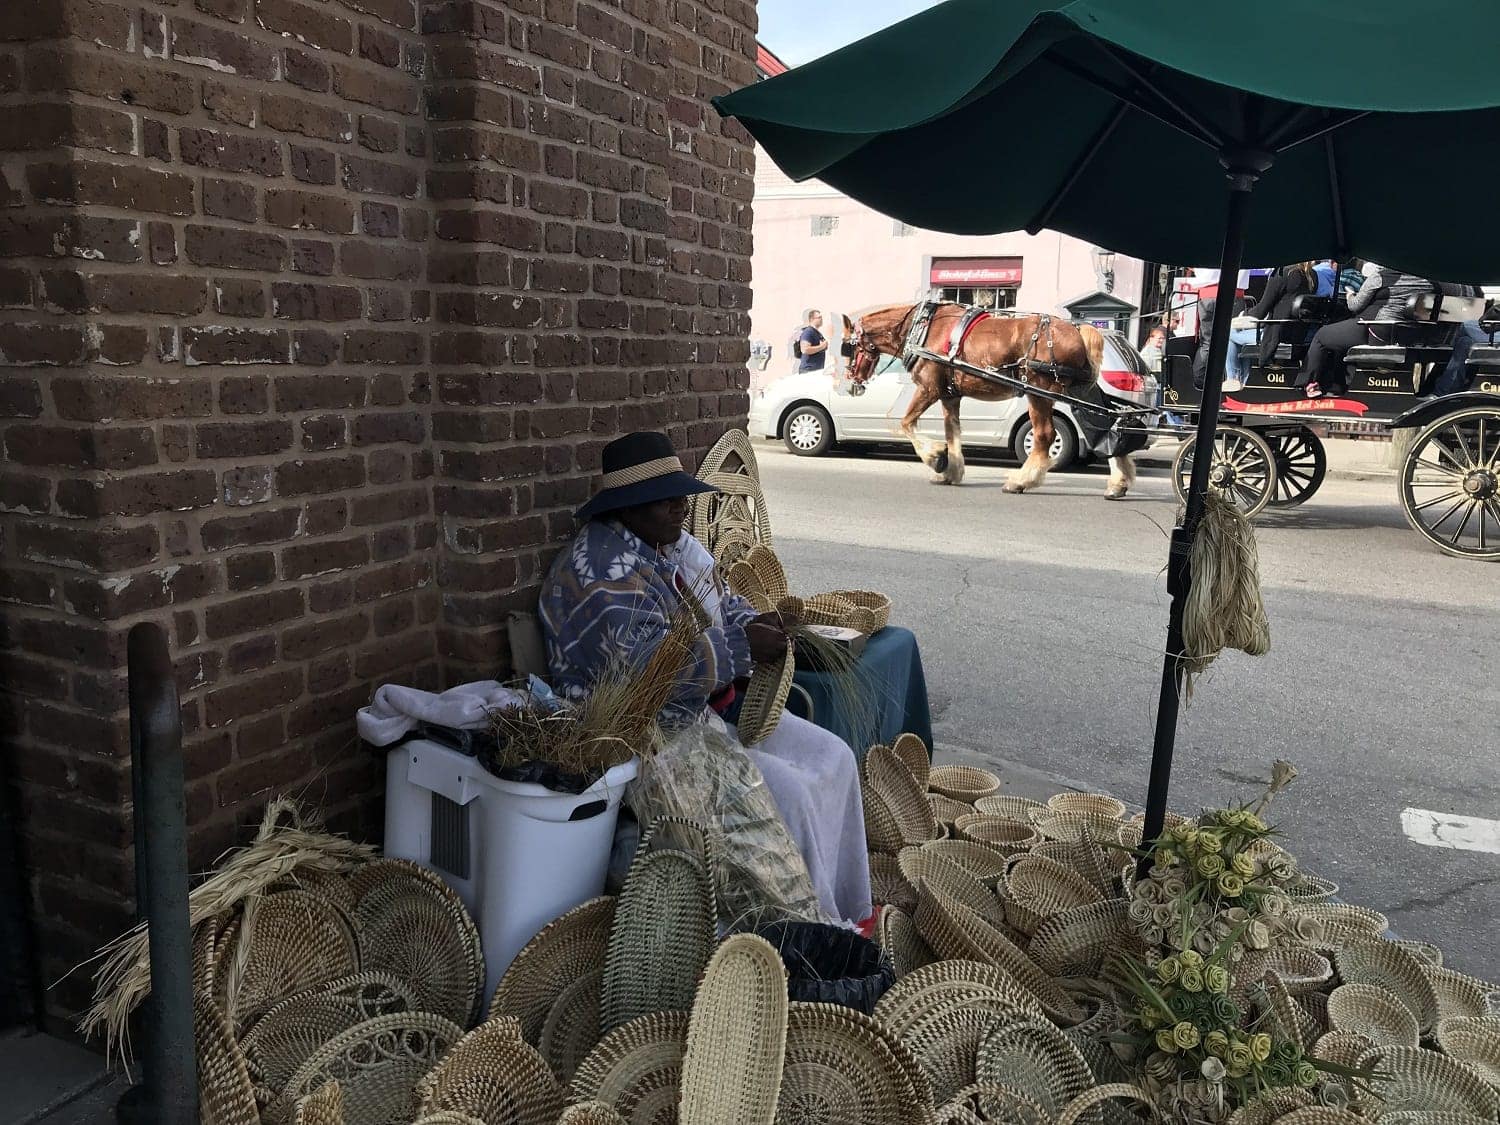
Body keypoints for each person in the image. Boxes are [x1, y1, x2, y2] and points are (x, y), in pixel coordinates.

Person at [539, 431, 873, 926]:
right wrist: (741, 648)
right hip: (649, 737)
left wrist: (756, 624)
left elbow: (724, 602)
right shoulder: (601, 573)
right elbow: (649, 674)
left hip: (709, 710)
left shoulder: (669, 546)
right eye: (665, 499)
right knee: (794, 792)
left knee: (835, 757)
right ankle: (810, 926)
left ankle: (849, 907)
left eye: (680, 494)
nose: (680, 507)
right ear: (628, 505)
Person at [1297, 264, 1437, 398]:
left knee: (1322, 335)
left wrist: (1350, 295)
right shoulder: (1427, 281)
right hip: (1410, 334)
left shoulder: (1381, 276)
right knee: (1341, 335)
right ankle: (1338, 384)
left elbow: (1355, 306)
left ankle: (1310, 384)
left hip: (1376, 329)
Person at [1224, 262, 1317, 392]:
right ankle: (1244, 380)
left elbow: (1261, 310)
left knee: (1227, 332)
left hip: (1276, 334)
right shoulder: (1312, 275)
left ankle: (1233, 379)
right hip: (1297, 332)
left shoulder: (1283, 272)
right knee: (1241, 332)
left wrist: (1242, 314)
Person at [796, 309, 829, 373]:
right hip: (808, 371)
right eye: (819, 317)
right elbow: (805, 349)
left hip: (815, 370)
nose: (821, 319)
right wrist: (822, 346)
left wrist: (824, 346)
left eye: (821, 317)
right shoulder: (808, 332)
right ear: (811, 319)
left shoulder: (817, 332)